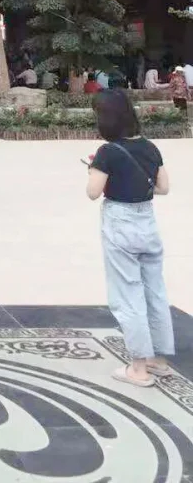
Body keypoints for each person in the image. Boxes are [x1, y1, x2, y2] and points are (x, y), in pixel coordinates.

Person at [86, 90, 174, 387]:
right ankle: (158, 360)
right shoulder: (149, 147)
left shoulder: (107, 152)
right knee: (155, 291)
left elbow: (93, 192)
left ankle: (138, 368)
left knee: (128, 293)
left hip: (120, 222)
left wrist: (92, 170)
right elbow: (163, 188)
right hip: (147, 221)